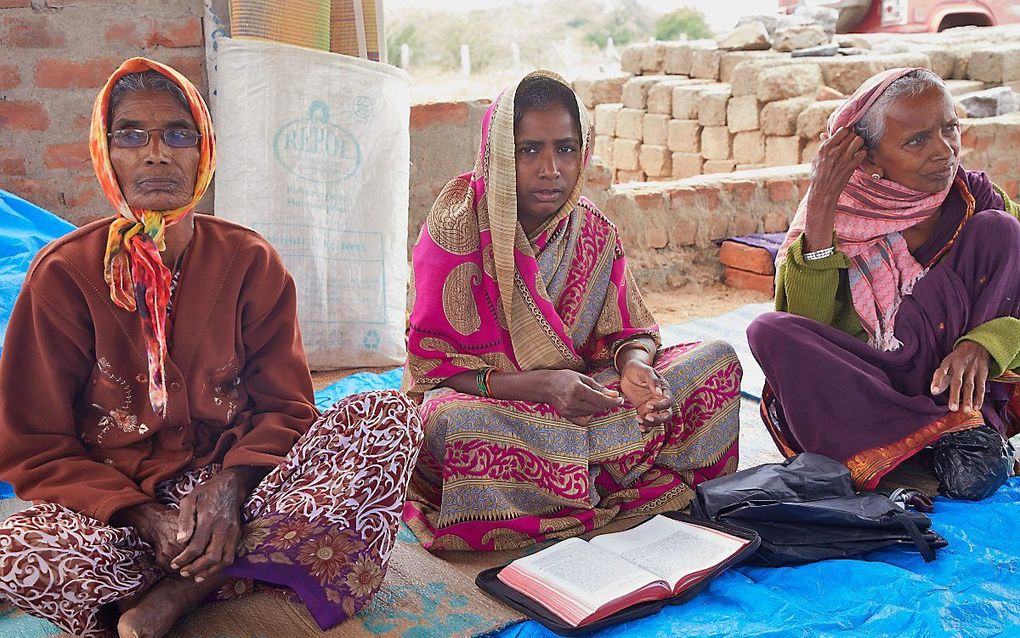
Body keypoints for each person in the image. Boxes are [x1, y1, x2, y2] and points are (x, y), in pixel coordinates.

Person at [0, 58, 423, 638]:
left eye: (178, 134)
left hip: (244, 489)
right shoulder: (62, 277)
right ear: (106, 153)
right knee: (20, 554)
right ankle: (234, 569)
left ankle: (184, 588)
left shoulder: (250, 262)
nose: (156, 153)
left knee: (385, 416)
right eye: (131, 135)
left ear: (204, 152)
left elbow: (286, 408)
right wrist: (143, 516)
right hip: (120, 507)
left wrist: (228, 491)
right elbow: (36, 445)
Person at [401, 71, 742, 551]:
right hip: (496, 403)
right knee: (450, 424)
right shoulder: (457, 225)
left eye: (565, 149)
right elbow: (435, 368)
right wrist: (543, 386)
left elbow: (630, 329)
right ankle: (610, 472)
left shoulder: (593, 229)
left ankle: (566, 481)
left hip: (587, 395)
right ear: (500, 153)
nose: (550, 169)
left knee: (717, 360)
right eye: (529, 150)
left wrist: (636, 369)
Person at [748, 67, 1019, 500]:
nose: (944, 151)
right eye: (917, 140)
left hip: (955, 389)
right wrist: (822, 201)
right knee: (767, 330)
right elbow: (806, 321)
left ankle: (956, 431)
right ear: (867, 157)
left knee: (1000, 230)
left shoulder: (976, 200)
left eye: (950, 129)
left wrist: (984, 345)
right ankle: (905, 448)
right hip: (874, 384)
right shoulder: (830, 215)